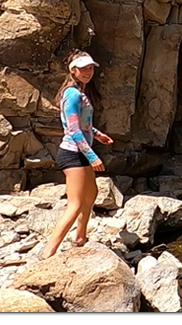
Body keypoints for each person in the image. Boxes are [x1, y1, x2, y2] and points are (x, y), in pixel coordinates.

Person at [40, 51, 113, 259]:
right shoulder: (71, 94)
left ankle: (80, 237)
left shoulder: (79, 93)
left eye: (90, 68)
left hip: (80, 152)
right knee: (75, 204)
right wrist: (92, 157)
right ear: (73, 70)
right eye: (84, 69)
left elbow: (83, 125)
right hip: (72, 154)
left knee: (91, 194)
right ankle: (48, 252)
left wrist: (98, 135)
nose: (88, 72)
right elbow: (73, 130)